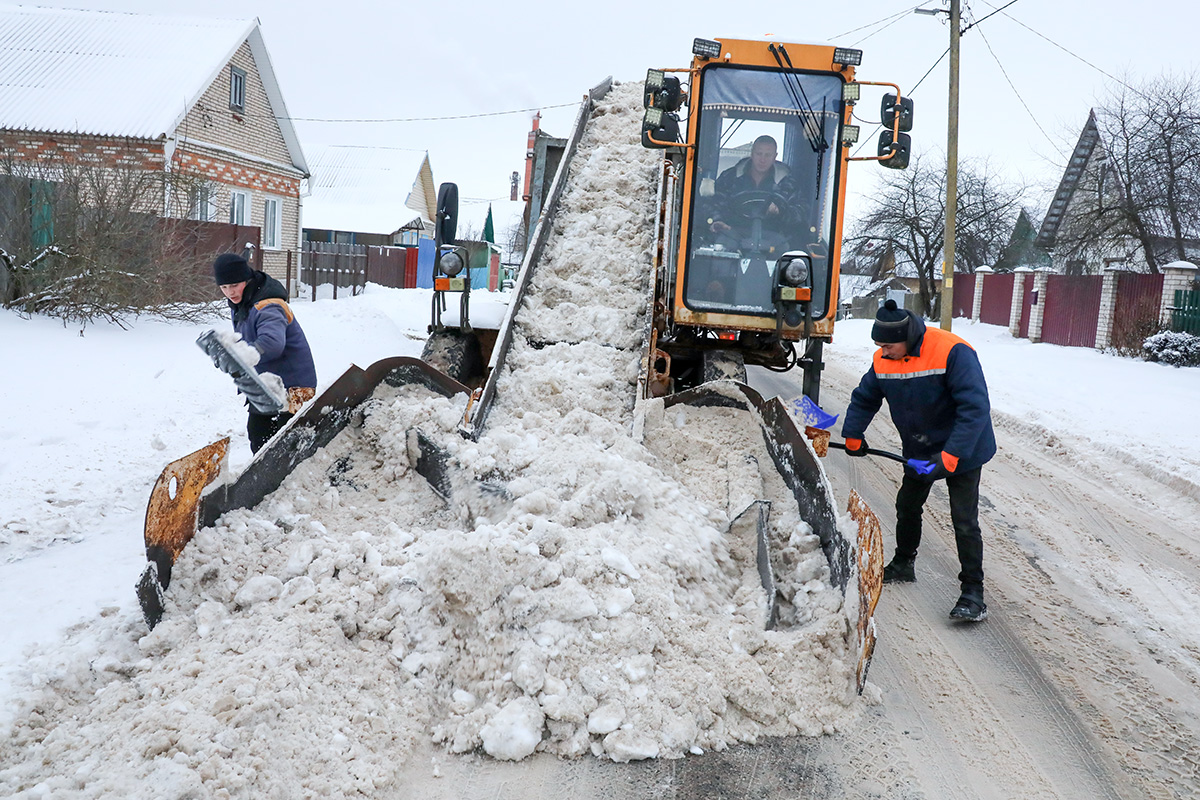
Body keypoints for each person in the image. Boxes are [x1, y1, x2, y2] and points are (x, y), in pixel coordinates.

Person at [840, 299, 997, 622]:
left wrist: (952, 455)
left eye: (888, 345)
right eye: (879, 345)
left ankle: (973, 593)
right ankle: (903, 563)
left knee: (963, 520)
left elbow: (975, 408)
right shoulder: (884, 360)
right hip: (921, 449)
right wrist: (853, 433)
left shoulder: (952, 351)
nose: (883, 352)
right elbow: (865, 396)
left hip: (963, 448)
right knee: (908, 504)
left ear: (907, 338)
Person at [213, 252, 317, 453]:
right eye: (224, 287)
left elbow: (272, 343)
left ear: (247, 279)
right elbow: (249, 341)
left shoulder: (268, 306)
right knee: (258, 437)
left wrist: (243, 356)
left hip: (294, 388)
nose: (230, 292)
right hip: (266, 386)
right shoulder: (243, 303)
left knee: (286, 446)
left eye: (234, 285)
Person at [706, 135, 804, 255]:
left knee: (785, 251)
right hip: (733, 233)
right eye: (759, 153)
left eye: (767, 155)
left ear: (775, 157)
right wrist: (718, 221)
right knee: (721, 245)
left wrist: (781, 211)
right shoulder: (730, 177)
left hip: (774, 237)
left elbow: (801, 213)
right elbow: (713, 202)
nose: (762, 159)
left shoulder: (788, 183)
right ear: (752, 154)